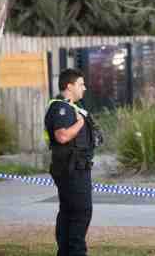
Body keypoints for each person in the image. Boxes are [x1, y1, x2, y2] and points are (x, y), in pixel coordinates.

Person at [44, 68, 95, 256]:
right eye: (81, 84)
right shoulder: (62, 108)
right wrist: (80, 124)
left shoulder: (70, 106)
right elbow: (62, 136)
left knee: (69, 212)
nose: (85, 88)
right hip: (71, 169)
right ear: (69, 86)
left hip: (74, 168)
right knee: (80, 212)